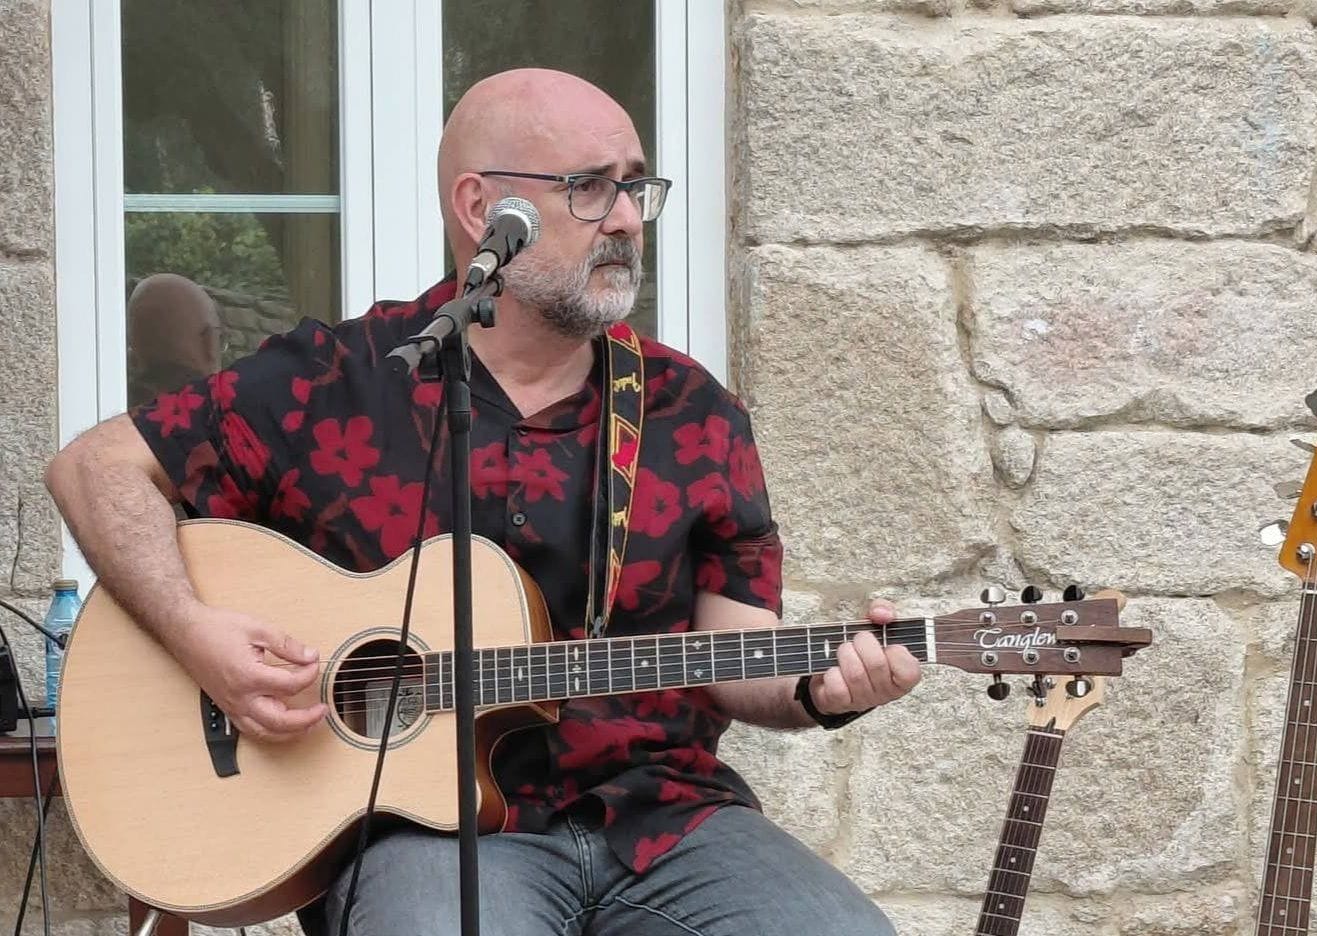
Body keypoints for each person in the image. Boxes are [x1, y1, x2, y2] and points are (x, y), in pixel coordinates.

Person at [45, 68, 920, 935]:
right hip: (424, 830)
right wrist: (195, 633)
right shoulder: (332, 382)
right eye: (588, 187)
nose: (623, 217)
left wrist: (821, 684)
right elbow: (94, 471)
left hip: (665, 820)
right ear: (480, 210)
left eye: (635, 187)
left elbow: (736, 650)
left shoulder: (691, 413)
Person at [125, 272, 224, 403]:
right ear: (210, 343)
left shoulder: (105, 407)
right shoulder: (216, 415)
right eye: (221, 340)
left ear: (133, 353)